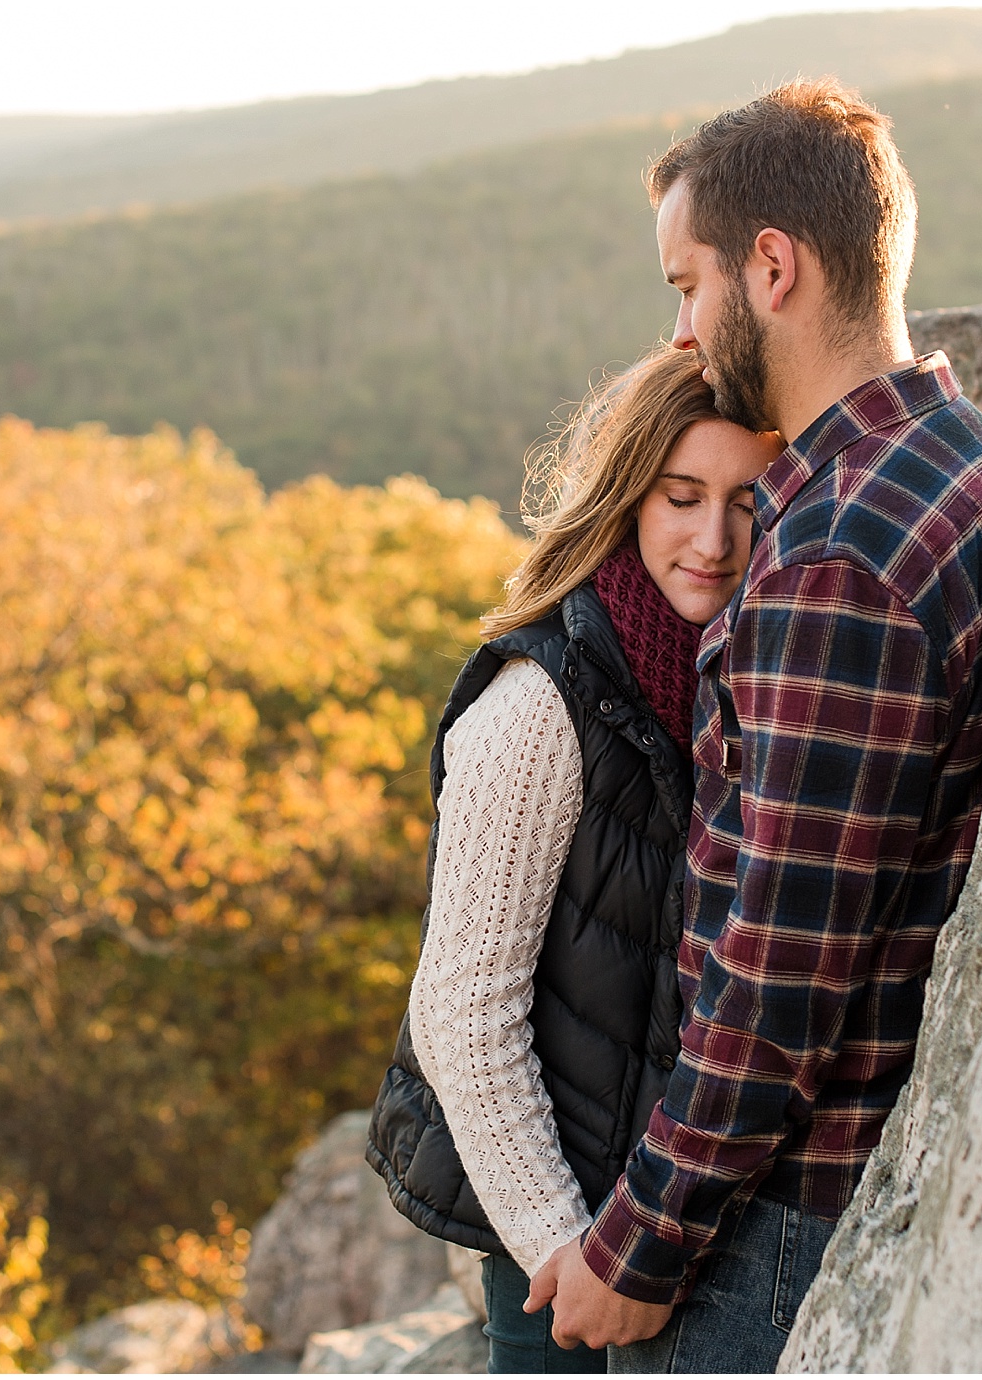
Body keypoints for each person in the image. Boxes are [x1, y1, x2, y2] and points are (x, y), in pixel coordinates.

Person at [524, 78, 982, 1372]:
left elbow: (777, 972)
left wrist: (639, 1246)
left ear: (772, 267)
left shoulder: (838, 556)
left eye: (687, 285)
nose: (680, 335)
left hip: (783, 1223)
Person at [366, 346, 781, 1373]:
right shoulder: (535, 712)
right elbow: (463, 1013)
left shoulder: (738, 669)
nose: (714, 539)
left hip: (670, 1218)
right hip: (556, 1230)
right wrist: (565, 1247)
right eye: (681, 496)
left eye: (747, 499)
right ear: (627, 495)